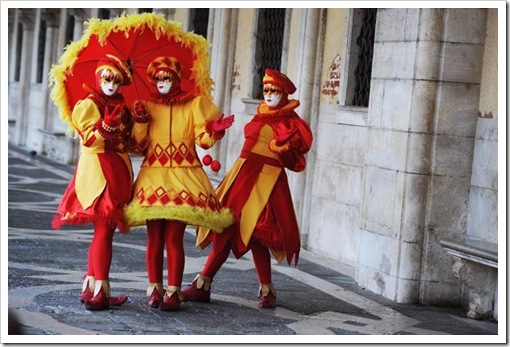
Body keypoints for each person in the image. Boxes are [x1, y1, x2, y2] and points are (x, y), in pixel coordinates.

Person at [182, 69, 313, 308]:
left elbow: (296, 157)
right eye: (266, 90)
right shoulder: (261, 115)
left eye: (275, 90)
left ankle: (266, 290)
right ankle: (203, 283)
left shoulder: (291, 122)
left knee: (256, 237)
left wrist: (284, 147)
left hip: (267, 182)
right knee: (226, 227)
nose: (270, 94)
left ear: (284, 93)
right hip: (242, 177)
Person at [125, 56, 235, 311]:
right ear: (153, 80)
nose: (163, 81)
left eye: (168, 77)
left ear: (176, 78)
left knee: (174, 237)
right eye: (158, 78)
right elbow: (138, 146)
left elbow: (203, 140)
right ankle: (154, 288)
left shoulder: (194, 104)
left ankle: (173, 290)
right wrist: (140, 122)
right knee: (154, 238)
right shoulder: (147, 106)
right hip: (153, 177)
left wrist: (213, 129)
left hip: (184, 177)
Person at [52, 54, 134, 310]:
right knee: (104, 231)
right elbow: (89, 139)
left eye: (117, 80)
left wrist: (138, 121)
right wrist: (104, 126)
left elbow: (131, 142)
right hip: (99, 171)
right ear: (98, 78)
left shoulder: (121, 105)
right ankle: (101, 291)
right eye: (107, 78)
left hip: (118, 170)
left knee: (103, 231)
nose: (111, 85)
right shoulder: (88, 104)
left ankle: (91, 287)